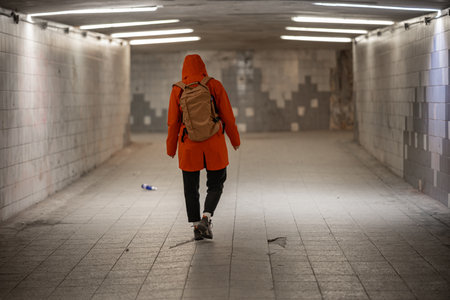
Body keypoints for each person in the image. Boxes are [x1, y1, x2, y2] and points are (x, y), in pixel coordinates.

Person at [166, 54, 240, 240]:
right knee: (216, 183)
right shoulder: (214, 85)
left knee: (190, 188)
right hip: (213, 143)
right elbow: (228, 117)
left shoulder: (178, 90)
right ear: (203, 67)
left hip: (188, 145)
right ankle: (206, 217)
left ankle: (196, 225)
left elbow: (173, 123)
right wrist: (235, 140)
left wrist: (171, 148)